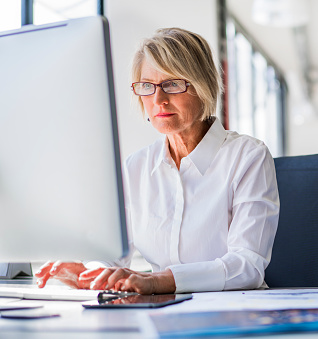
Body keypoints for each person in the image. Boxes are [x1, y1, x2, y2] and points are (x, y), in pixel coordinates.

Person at [35, 28, 280, 294]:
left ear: (203, 86)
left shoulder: (248, 157)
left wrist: (158, 280)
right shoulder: (136, 167)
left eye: (172, 84)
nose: (158, 100)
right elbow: (112, 255)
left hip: (233, 312)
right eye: (147, 86)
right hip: (161, 310)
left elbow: (247, 266)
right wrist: (90, 271)